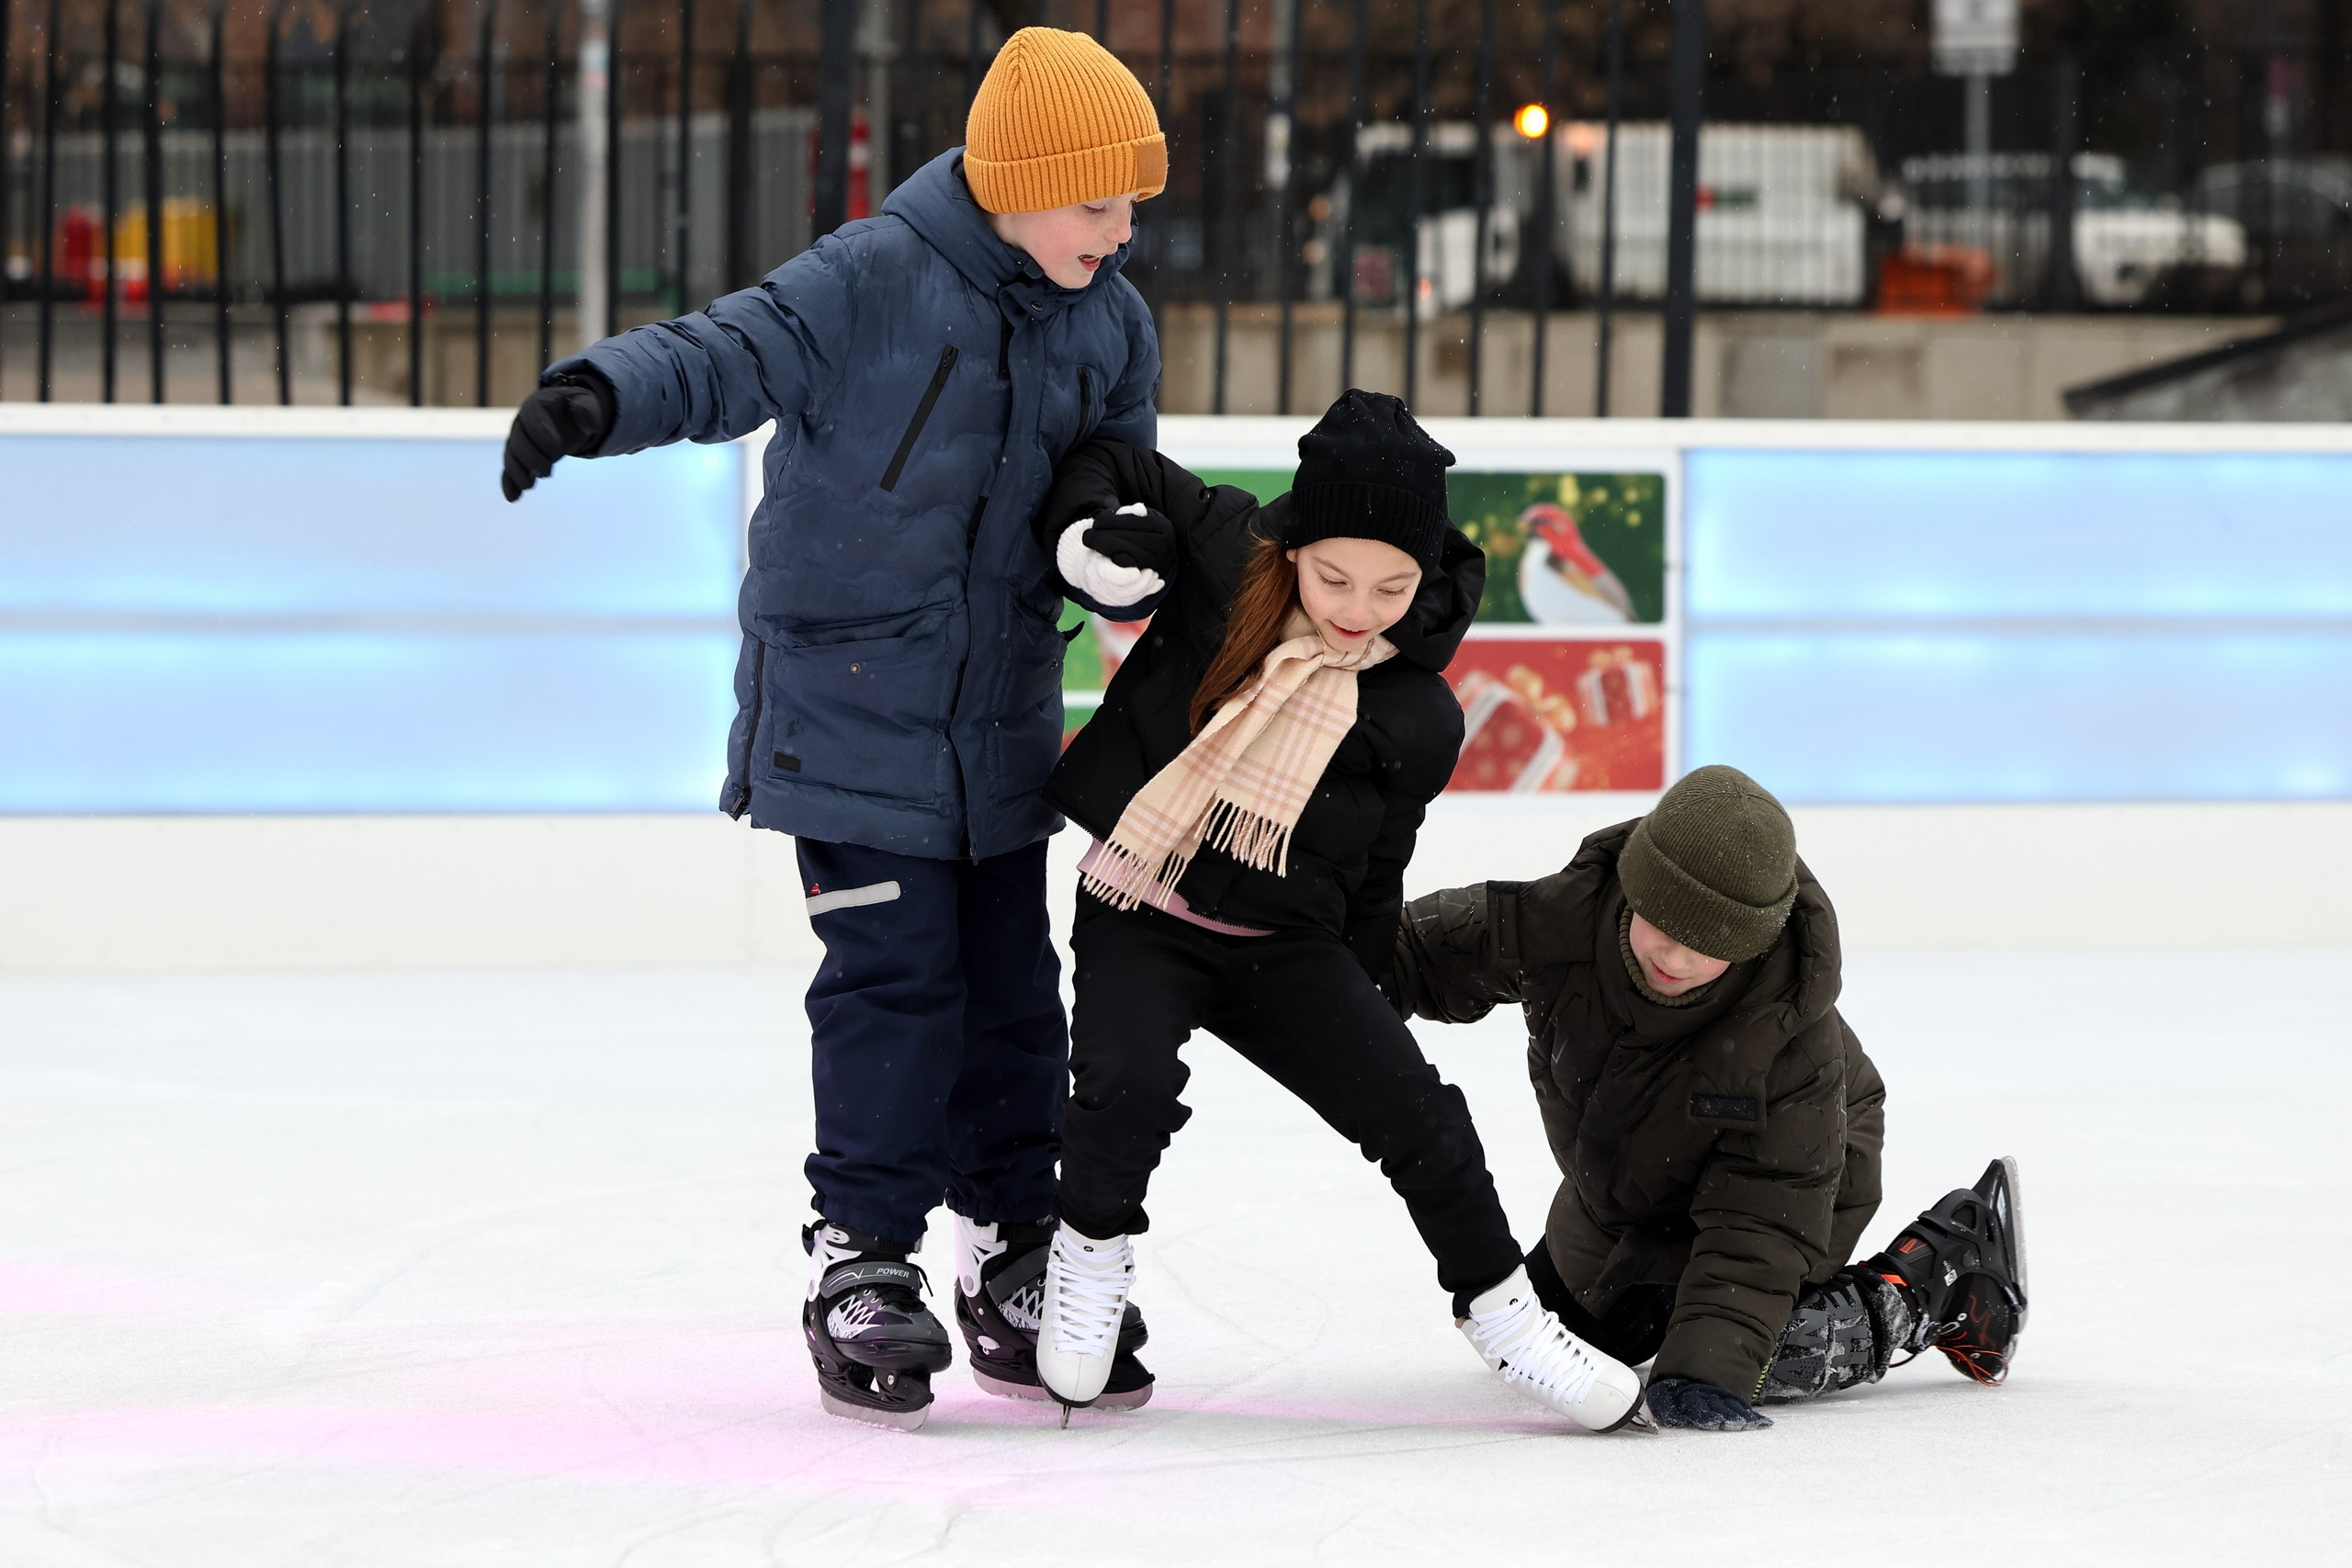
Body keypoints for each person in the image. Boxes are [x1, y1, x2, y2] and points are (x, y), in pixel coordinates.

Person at [496, 28, 1169, 1432]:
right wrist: (597, 394)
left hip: (998, 727)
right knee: (894, 986)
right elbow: (726, 351)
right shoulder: (871, 276)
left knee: (1013, 992)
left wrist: (1109, 531)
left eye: (1132, 206)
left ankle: (1012, 1246)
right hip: (849, 716)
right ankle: (863, 1254)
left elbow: (1117, 466)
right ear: (1015, 183)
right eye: (1096, 201)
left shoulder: (1110, 321)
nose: (1120, 232)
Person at [1023, 390, 1647, 1433]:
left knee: (1423, 1120)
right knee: (1122, 1087)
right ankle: (1088, 1260)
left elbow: (1379, 868)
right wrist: (1090, 533)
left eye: (1392, 587)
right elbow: (1109, 459)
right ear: (1294, 547)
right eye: (1333, 579)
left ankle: (1510, 1320)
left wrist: (1360, 1001)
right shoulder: (1226, 555)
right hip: (1143, 899)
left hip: (1285, 945)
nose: (1359, 609)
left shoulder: (1419, 712)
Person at [1385, 764, 2030, 1431]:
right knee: (1562, 1333)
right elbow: (1420, 951)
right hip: (1636, 1183)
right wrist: (1337, 991)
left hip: (1804, 1172)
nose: (1677, 957)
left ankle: (1934, 1278)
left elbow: (1759, 1226)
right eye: (1663, 923)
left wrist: (1704, 1372)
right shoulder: (1562, 921)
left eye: (1710, 944)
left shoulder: (1788, 1048)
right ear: (1635, 888)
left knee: (1755, 1354)